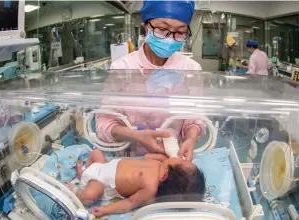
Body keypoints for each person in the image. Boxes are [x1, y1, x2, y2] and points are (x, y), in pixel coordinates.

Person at [96, 0, 205, 161]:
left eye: (180, 32)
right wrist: (136, 136)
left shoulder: (190, 70)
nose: (170, 39)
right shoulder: (123, 68)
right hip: (133, 160)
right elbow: (104, 123)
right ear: (146, 25)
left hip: (174, 158)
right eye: (162, 29)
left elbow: (194, 118)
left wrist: (190, 138)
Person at [68, 149, 206, 217]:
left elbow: (130, 203)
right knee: (96, 152)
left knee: (90, 195)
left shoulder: (150, 189)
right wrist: (161, 155)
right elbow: (145, 157)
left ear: (165, 176)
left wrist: (106, 209)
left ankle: (75, 191)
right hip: (103, 164)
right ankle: (85, 173)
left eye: (181, 161)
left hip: (101, 183)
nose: (180, 157)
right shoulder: (159, 163)